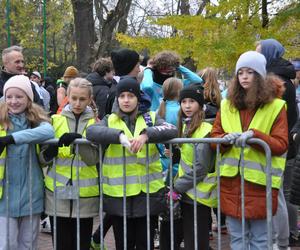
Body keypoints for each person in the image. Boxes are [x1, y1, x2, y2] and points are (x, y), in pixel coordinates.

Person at [86, 77, 178, 250]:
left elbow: (171, 129)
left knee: (146, 244)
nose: (126, 100)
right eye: (122, 96)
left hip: (147, 194)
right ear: (117, 99)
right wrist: (119, 136)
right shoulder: (110, 119)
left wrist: (146, 135)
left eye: (130, 96)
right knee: (123, 245)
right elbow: (91, 131)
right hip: (119, 195)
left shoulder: (150, 117)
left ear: (138, 98)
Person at [211, 51, 288, 249]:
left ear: (260, 75)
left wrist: (255, 136)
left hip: (260, 183)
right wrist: (224, 141)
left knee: (261, 240)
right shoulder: (226, 105)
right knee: (238, 239)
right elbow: (213, 138)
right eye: (240, 72)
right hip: (231, 183)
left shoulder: (276, 106)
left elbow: (281, 145)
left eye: (250, 72)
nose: (244, 76)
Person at [39, 78, 99, 250]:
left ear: (90, 99)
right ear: (67, 97)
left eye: (82, 99)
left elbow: (94, 159)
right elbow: (42, 159)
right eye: (74, 98)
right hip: (57, 193)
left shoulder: (95, 123)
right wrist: (54, 148)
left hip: (85, 194)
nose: (77, 103)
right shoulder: (54, 121)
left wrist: (79, 143)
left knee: (81, 245)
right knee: (61, 244)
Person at [0, 75, 54, 249]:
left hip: (31, 195)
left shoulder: (35, 121)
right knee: (7, 244)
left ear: (28, 98)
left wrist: (11, 139)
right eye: (9, 96)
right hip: (4, 197)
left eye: (19, 96)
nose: (14, 101)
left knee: (28, 245)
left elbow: (48, 131)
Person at [256, 38, 298, 248]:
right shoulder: (285, 77)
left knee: (278, 195)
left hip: (278, 144)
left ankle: (283, 240)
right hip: (281, 143)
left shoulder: (275, 80)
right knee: (280, 193)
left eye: (259, 51)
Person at [167, 84, 217, 250]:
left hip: (197, 195)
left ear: (200, 105)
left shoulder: (204, 130)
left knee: (196, 242)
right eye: (184, 101)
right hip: (188, 192)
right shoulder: (186, 126)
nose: (187, 105)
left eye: (192, 102)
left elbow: (201, 167)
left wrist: (177, 187)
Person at [156, 77, 184, 250]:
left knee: (167, 209)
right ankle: (173, 241)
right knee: (177, 209)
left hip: (164, 162)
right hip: (177, 164)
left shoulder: (159, 110)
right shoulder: (180, 110)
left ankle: (166, 240)